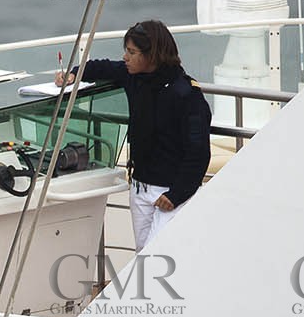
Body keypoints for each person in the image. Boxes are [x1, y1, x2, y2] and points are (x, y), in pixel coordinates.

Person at [56, 19, 212, 249]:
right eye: (126, 51)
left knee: (156, 258)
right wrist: (74, 74)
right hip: (140, 188)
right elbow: (103, 67)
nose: (125, 57)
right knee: (144, 255)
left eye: (132, 52)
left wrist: (177, 194)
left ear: (152, 55)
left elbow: (198, 152)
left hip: (169, 192)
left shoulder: (186, 95)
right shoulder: (134, 77)